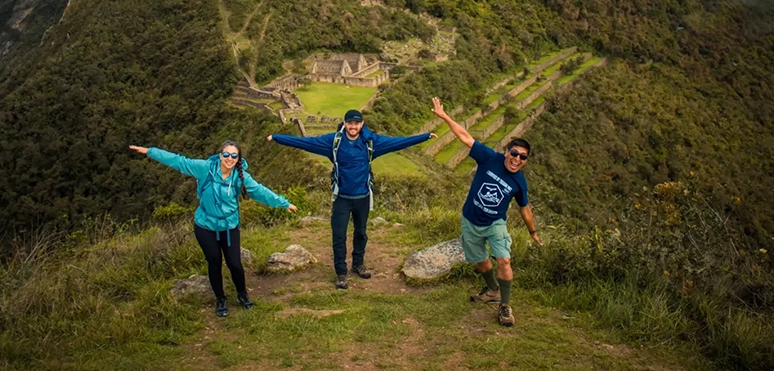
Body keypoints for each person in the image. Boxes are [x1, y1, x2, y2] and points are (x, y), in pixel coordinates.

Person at [267, 109, 436, 289]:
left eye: (357, 123)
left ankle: (358, 264)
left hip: (362, 196)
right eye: (350, 123)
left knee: (361, 233)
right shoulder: (334, 142)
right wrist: (278, 138)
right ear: (345, 123)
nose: (353, 126)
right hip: (341, 198)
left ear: (362, 124)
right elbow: (305, 143)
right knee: (338, 236)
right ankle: (341, 273)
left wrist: (424, 137)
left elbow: (398, 142)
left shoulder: (371, 142)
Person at [129, 141, 297, 317]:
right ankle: (220, 299)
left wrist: (283, 203)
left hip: (229, 226)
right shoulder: (205, 169)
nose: (229, 159)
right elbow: (179, 161)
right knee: (214, 262)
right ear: (220, 155)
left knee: (234, 264)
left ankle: (242, 295)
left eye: (234, 156)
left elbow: (261, 191)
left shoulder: (240, 177)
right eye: (226, 154)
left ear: (238, 159)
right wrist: (150, 151)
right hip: (205, 226)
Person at [430, 97, 542, 327]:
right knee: (481, 262)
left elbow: (525, 208)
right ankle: (492, 290)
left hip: (495, 224)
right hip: (470, 220)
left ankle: (505, 306)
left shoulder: (519, 182)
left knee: (504, 260)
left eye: (523, 157)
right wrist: (444, 117)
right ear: (506, 152)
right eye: (514, 153)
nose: (517, 159)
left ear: (526, 161)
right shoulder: (489, 158)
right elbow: (464, 136)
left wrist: (533, 231)